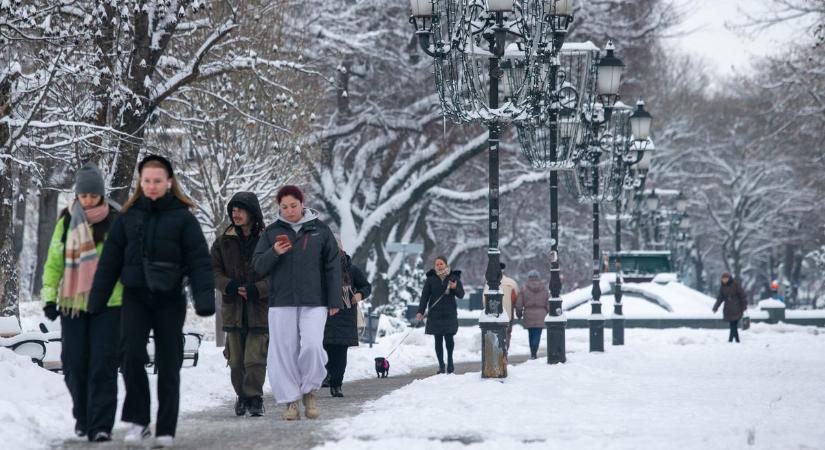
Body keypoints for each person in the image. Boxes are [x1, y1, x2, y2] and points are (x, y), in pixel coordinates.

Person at [88, 154, 215, 447]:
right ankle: (138, 421)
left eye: (157, 181)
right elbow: (109, 263)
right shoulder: (127, 218)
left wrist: (204, 299)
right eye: (147, 180)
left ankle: (166, 427)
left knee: (169, 362)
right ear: (140, 183)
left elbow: (199, 261)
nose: (152, 185)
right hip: (135, 296)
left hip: (170, 298)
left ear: (169, 182)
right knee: (131, 355)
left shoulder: (184, 218)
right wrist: (96, 301)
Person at [40, 162, 122, 442]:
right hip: (73, 304)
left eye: (93, 195)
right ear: (77, 194)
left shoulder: (116, 221)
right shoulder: (67, 221)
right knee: (74, 364)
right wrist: (49, 298)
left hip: (110, 304)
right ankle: (83, 416)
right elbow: (54, 262)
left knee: (103, 365)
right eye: (83, 195)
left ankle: (101, 424)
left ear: (101, 194)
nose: (87, 200)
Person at [252, 185, 343, 421]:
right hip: (281, 301)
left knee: (313, 346)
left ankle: (309, 391)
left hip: (315, 300)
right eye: (284, 207)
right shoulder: (271, 232)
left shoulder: (320, 230)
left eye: (293, 205)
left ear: (302, 203)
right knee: (284, 352)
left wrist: (334, 299)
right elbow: (258, 266)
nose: (289, 211)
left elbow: (333, 266)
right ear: (279, 208)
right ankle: (291, 401)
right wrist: (274, 252)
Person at [211, 192, 269, 417]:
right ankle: (242, 396)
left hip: (259, 309)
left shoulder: (268, 240)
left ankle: (255, 398)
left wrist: (258, 289)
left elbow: (278, 274)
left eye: (240, 209)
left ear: (252, 212)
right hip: (233, 309)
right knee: (235, 361)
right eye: (233, 210)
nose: (236, 214)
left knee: (254, 359)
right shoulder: (222, 242)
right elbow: (212, 271)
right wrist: (229, 286)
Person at [323, 237, 371, 398]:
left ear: (341, 249)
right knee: (324, 348)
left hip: (345, 315)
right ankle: (327, 375)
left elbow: (366, 286)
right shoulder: (320, 267)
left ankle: (336, 384)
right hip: (325, 314)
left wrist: (359, 294)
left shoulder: (352, 269)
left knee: (340, 351)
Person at [416, 256, 464, 374]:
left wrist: (455, 288)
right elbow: (424, 296)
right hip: (435, 314)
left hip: (449, 313)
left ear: (446, 264)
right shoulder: (431, 279)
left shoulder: (454, 277)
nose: (439, 266)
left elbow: (461, 294)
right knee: (438, 340)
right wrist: (420, 311)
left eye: (441, 264)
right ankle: (441, 365)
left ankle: (450, 362)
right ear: (435, 266)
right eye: (437, 264)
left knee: (449, 339)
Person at [482, 263, 519, 352]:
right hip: (508, 314)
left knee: (494, 334)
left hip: (492, 314)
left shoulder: (488, 284)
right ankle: (504, 352)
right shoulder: (511, 283)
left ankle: (496, 353)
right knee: (507, 334)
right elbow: (515, 299)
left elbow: (484, 300)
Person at [515, 270, 549, 359]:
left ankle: (532, 352)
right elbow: (548, 303)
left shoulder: (524, 289)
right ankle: (535, 351)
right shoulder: (544, 289)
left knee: (531, 333)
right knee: (538, 333)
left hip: (528, 313)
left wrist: (519, 314)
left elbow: (519, 304)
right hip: (541, 314)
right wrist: (549, 313)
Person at [712, 272, 748, 343]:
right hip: (728, 308)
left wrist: (744, 305)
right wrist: (715, 307)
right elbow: (720, 298)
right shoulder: (722, 287)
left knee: (733, 324)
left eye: (726, 278)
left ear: (729, 278)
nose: (724, 280)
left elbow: (742, 295)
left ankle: (731, 339)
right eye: (723, 279)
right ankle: (735, 340)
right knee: (732, 324)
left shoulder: (735, 285)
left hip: (737, 307)